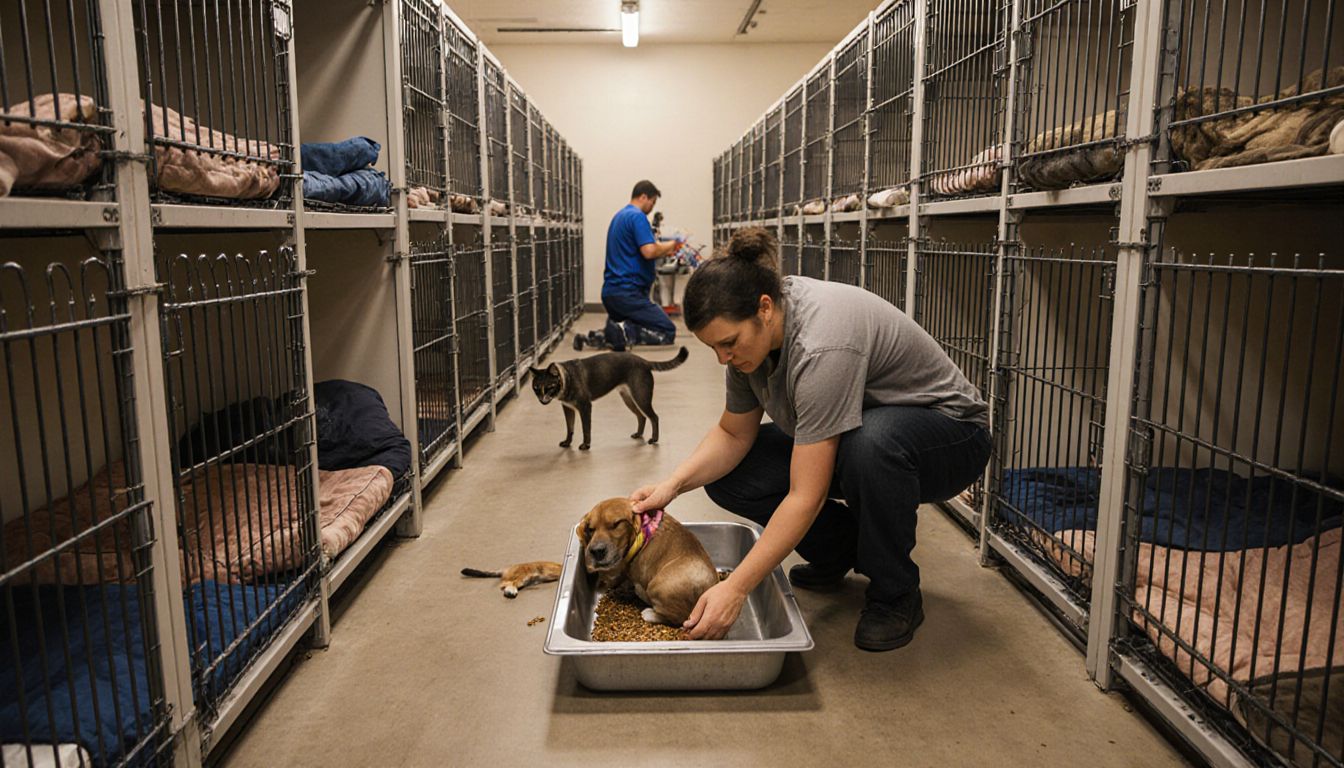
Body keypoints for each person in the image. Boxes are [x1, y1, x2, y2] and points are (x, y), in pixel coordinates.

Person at [629, 228, 991, 652]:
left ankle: (896, 591)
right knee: (735, 476)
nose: (724, 359)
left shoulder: (822, 344)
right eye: (714, 348)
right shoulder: (753, 344)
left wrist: (736, 588)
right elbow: (733, 433)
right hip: (863, 436)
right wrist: (672, 485)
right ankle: (839, 551)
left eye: (729, 343)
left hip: (951, 436)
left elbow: (807, 494)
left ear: (764, 309)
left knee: (869, 446)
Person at [575, 180, 683, 352]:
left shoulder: (619, 216)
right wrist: (672, 245)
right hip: (629, 294)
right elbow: (648, 251)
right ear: (643, 197)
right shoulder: (637, 217)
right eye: (652, 202)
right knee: (666, 331)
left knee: (632, 321)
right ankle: (619, 333)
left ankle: (606, 334)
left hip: (612, 293)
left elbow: (637, 251)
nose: (652, 208)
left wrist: (661, 250)